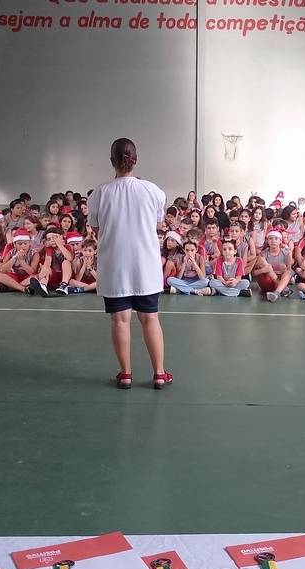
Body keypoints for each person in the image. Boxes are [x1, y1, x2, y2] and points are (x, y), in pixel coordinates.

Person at [87, 138, 171, 390]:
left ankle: (125, 374)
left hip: (114, 264)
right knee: (150, 318)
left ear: (111, 161)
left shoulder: (99, 193)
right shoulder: (153, 191)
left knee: (120, 320)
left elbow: (95, 227)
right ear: (135, 160)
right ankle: (159, 374)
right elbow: (158, 222)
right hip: (145, 264)